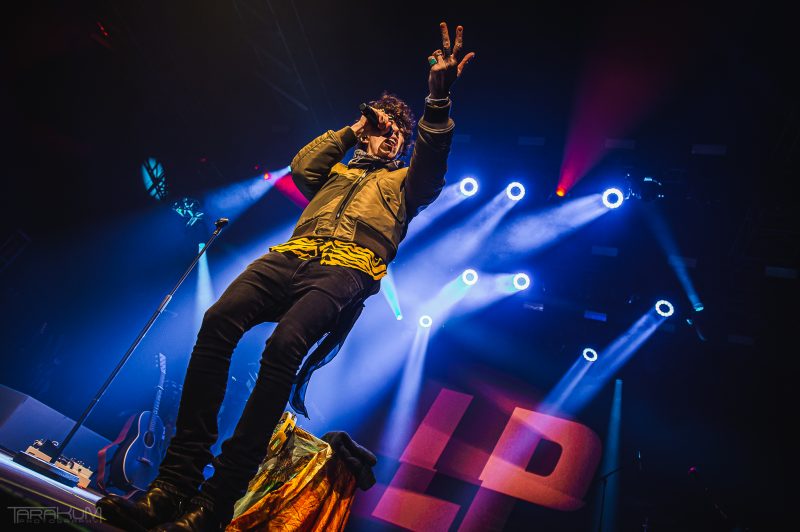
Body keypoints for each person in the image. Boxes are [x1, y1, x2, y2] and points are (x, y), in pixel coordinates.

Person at [98, 21, 475, 532]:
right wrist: (353, 129)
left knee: (284, 347)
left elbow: (433, 160)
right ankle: (172, 486)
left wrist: (437, 100)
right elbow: (301, 168)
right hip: (292, 254)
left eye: (397, 134)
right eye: (383, 127)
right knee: (218, 320)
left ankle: (216, 502)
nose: (389, 135)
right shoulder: (338, 172)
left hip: (348, 267)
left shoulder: (408, 182)